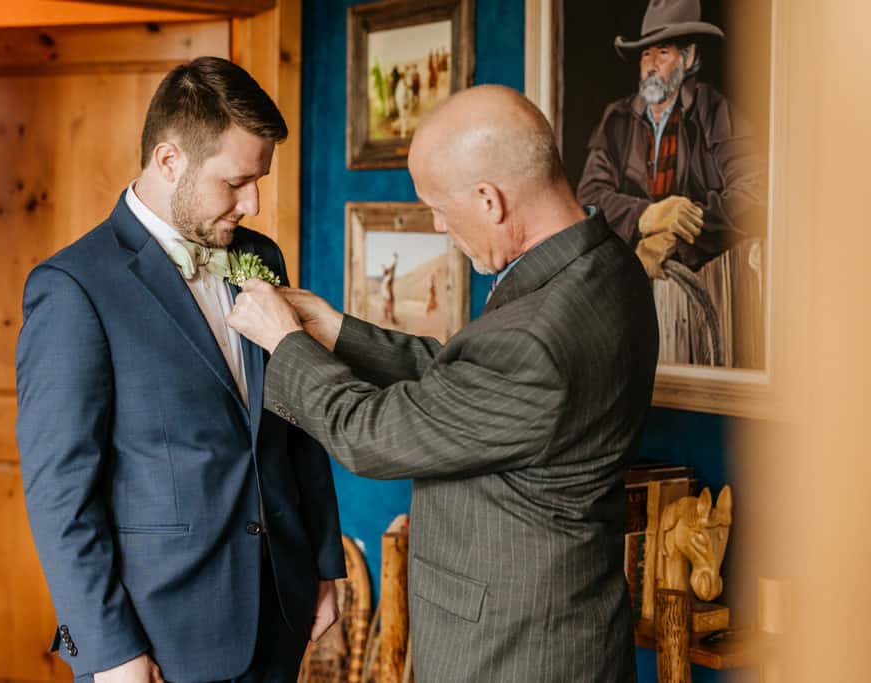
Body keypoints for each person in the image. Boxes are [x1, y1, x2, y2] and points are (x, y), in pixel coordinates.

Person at [228, 84, 659, 682]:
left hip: (516, 652)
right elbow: (469, 383)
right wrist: (338, 331)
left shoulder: (536, 340)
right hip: (567, 626)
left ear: (489, 200)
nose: (435, 223)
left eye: (438, 205)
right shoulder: (609, 267)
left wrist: (286, 345)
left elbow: (370, 434)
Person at [16, 57, 345, 683]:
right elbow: (60, 493)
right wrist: (108, 651)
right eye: (236, 182)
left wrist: (324, 563)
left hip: (281, 605)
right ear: (169, 161)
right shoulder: (73, 288)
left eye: (260, 181)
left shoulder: (259, 256)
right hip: (158, 640)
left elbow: (294, 422)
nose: (252, 203)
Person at [577, 0, 765, 366]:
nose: (649, 66)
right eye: (645, 54)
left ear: (689, 57)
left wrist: (677, 235)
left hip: (703, 297)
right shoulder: (616, 120)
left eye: (662, 53)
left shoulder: (716, 112)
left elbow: (755, 193)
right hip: (624, 293)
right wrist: (648, 217)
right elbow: (588, 197)